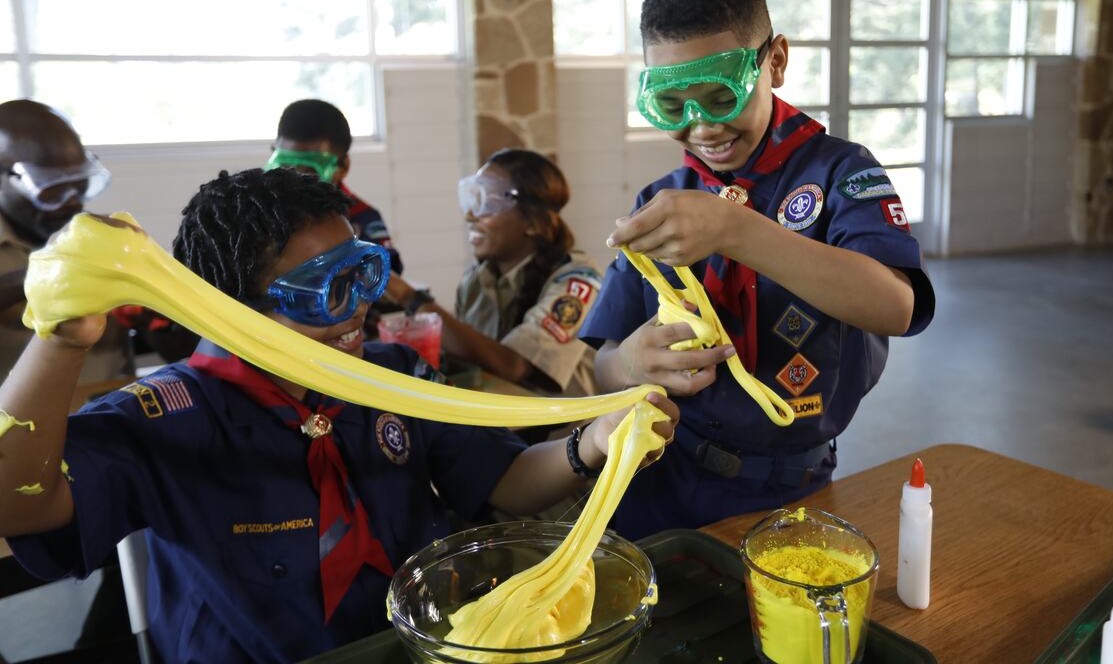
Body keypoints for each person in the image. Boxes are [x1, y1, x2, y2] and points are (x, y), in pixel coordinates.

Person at [0, 167, 677, 663]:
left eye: (363, 275)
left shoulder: (391, 378)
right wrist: (60, 340)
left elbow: (503, 482)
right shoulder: (167, 416)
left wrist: (591, 445)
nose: (358, 308)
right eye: (323, 294)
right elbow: (19, 507)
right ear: (229, 309)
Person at [581, 0, 936, 538]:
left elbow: (895, 307)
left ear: (774, 61)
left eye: (722, 97)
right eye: (673, 106)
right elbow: (602, 364)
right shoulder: (664, 201)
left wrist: (734, 229)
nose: (702, 128)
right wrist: (630, 363)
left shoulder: (839, 173)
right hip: (661, 477)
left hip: (792, 486)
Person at [391, 149, 603, 396]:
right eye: (472, 199)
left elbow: (513, 366)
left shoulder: (577, 281)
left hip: (567, 432)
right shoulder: (476, 282)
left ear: (533, 223)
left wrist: (409, 296)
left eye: (488, 202)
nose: (470, 215)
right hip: (501, 427)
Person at [0, 99, 129, 381]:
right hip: (20, 422)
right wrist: (50, 272)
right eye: (51, 187)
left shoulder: (97, 239)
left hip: (115, 410)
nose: (72, 201)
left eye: (79, 182)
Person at [265, 98, 406, 294]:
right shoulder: (260, 215)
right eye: (285, 167)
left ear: (343, 167)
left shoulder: (363, 219)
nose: (295, 181)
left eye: (308, 172)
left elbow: (386, 285)